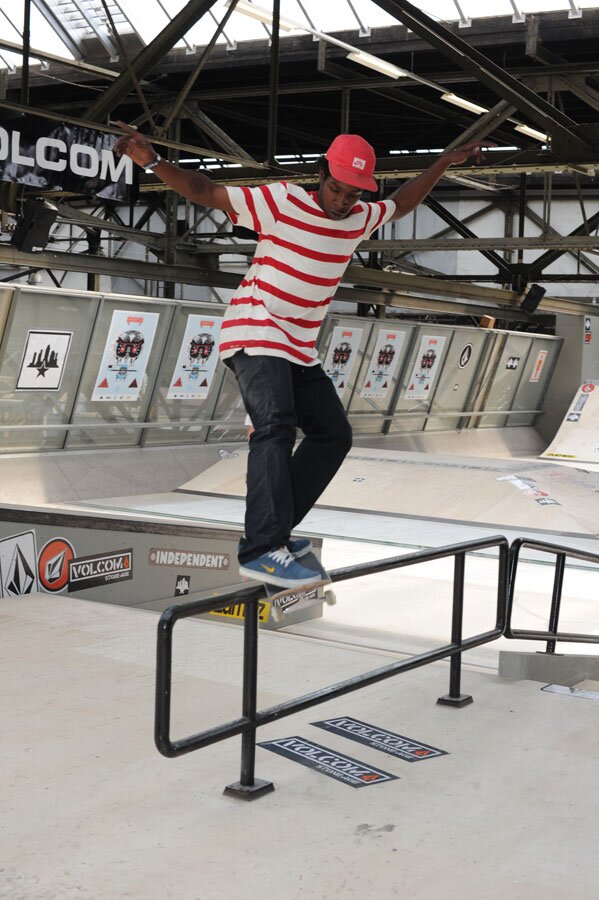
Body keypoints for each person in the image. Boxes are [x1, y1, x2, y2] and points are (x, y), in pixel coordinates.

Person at [115, 124, 487, 588]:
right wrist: (152, 162)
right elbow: (205, 191)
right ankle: (261, 549)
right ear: (321, 175)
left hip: (298, 347)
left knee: (333, 434)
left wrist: (443, 163)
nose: (342, 201)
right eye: (336, 189)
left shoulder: (359, 218)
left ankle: (274, 532)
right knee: (275, 426)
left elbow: (404, 202)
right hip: (255, 329)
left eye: (353, 194)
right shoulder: (283, 202)